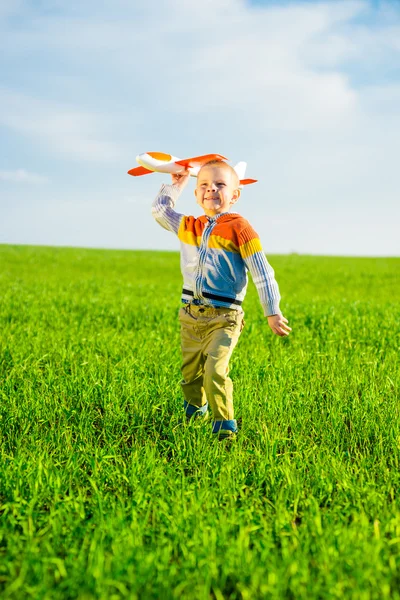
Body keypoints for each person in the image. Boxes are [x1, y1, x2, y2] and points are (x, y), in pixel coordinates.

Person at [152, 160, 291, 440]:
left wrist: (272, 310)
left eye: (220, 184)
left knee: (215, 370)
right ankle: (194, 415)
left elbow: (261, 270)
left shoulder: (240, 227)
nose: (210, 190)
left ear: (235, 195)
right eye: (203, 184)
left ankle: (225, 429)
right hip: (191, 315)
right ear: (196, 193)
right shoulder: (188, 226)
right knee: (191, 376)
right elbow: (160, 210)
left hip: (224, 317)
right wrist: (177, 183)